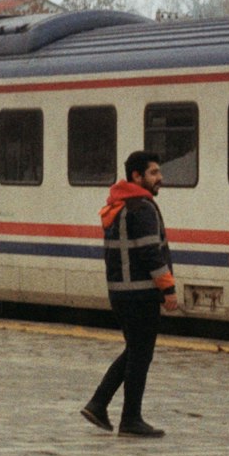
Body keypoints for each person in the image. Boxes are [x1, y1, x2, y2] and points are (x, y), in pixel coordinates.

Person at [81, 150, 178, 438]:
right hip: (140, 295)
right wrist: (168, 289)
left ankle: (98, 404)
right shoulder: (143, 209)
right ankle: (130, 419)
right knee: (140, 355)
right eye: (154, 173)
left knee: (134, 351)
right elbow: (151, 253)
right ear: (137, 176)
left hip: (121, 295)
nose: (160, 178)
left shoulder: (118, 206)